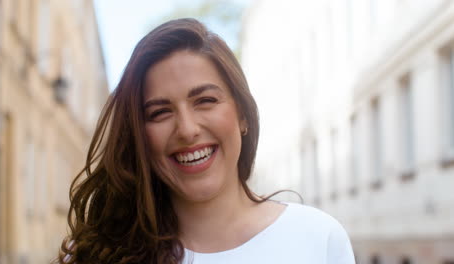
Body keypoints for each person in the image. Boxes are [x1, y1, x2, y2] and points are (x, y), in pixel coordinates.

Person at [57, 18, 355, 264]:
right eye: (160, 112)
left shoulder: (318, 239)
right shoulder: (98, 256)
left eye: (205, 100)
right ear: (139, 136)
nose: (187, 130)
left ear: (243, 116)